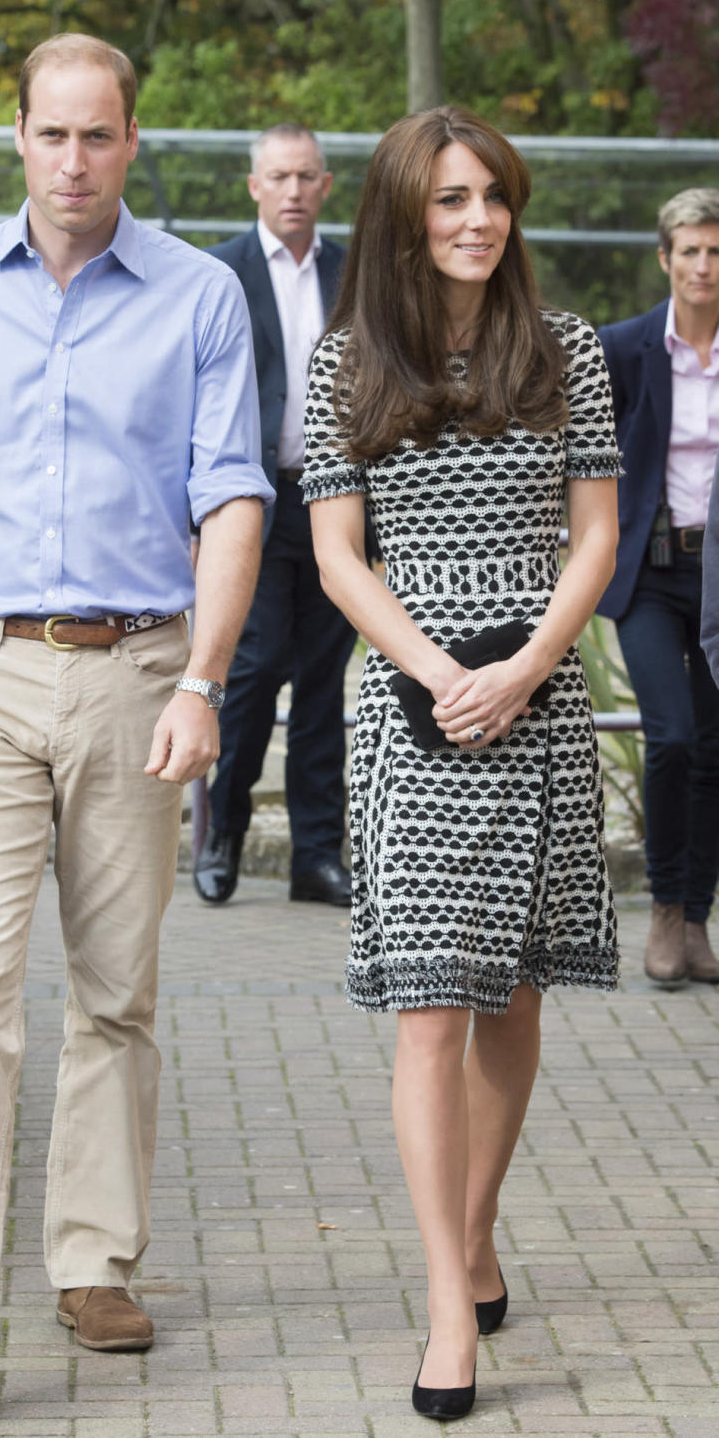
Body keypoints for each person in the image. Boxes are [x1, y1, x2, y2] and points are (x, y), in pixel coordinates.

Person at [0, 33, 271, 1401]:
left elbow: (232, 497)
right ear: (20, 140)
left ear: (133, 143)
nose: (75, 160)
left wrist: (207, 680)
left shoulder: (202, 296)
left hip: (137, 670)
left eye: (100, 136)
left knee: (116, 986)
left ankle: (94, 1257)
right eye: (54, 134)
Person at [302, 106, 620, 1421]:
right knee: (431, 1009)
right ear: (401, 215)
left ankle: (477, 1225)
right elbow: (336, 555)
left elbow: (596, 530)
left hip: (537, 701)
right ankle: (450, 1297)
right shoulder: (345, 365)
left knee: (515, 999)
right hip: (412, 715)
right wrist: (439, 671)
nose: (476, 218)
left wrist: (530, 663)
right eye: (448, 199)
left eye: (492, 194)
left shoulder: (568, 352)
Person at [192, 124, 355, 908]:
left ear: (326, 185)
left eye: (306, 176)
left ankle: (316, 855)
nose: (293, 190)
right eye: (278, 176)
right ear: (254, 185)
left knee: (325, 682)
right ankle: (223, 830)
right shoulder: (218, 271)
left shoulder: (354, 274)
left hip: (337, 501)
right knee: (253, 670)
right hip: (248, 502)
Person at [596, 189, 719, 989]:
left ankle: (697, 917)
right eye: (691, 252)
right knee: (670, 736)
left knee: (715, 748)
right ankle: (663, 909)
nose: (705, 267)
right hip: (648, 571)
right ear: (664, 259)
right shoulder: (626, 347)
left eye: (716, 253)